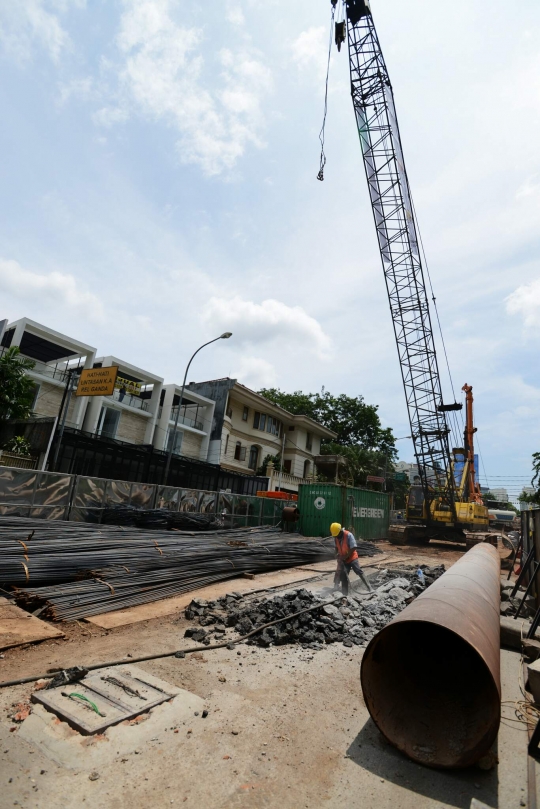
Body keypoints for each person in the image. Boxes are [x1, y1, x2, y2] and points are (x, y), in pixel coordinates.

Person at [330, 522, 371, 596]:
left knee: (358, 571)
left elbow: (354, 547)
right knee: (343, 576)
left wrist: (346, 556)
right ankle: (344, 594)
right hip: (343, 560)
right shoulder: (336, 538)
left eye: (337, 535)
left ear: (340, 531)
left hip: (352, 558)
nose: (336, 537)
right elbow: (336, 547)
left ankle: (369, 588)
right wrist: (336, 553)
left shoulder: (348, 535)